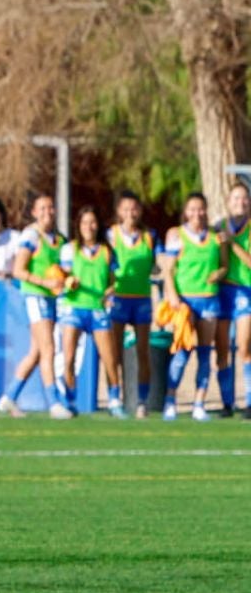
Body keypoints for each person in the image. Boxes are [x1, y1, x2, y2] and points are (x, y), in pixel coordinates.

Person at [0, 195, 71, 419]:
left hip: (51, 298)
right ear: (34, 212)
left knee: (37, 352)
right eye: (43, 208)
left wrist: (66, 280)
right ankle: (53, 402)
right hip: (35, 296)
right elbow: (19, 270)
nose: (48, 212)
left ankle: (9, 397)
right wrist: (44, 282)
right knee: (48, 348)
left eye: (51, 207)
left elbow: (63, 269)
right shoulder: (31, 235)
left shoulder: (59, 239)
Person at [159, 191, 226, 421]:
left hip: (209, 299)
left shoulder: (216, 237)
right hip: (185, 302)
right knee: (181, 353)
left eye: (201, 208)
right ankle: (170, 400)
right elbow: (167, 270)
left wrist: (219, 273)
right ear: (185, 212)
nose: (197, 213)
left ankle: (200, 402)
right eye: (192, 209)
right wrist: (173, 296)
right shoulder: (176, 235)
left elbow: (224, 265)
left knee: (205, 353)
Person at [56, 206, 123, 417]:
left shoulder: (107, 251)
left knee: (110, 358)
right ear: (78, 225)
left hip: (97, 309)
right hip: (74, 308)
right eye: (85, 223)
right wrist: (68, 282)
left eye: (92, 222)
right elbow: (61, 278)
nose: (89, 227)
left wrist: (109, 294)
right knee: (69, 358)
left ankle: (114, 400)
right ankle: (70, 400)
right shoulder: (70, 249)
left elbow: (113, 282)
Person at [107, 193, 157, 418]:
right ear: (119, 211)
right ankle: (114, 397)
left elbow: (158, 264)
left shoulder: (149, 237)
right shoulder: (111, 235)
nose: (131, 213)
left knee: (142, 351)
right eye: (126, 208)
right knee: (114, 352)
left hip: (142, 299)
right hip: (118, 298)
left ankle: (142, 401)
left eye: (134, 208)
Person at [215, 179, 251, 417]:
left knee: (245, 347)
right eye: (236, 198)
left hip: (245, 291)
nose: (241, 202)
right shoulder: (217, 227)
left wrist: (234, 244)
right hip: (222, 292)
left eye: (244, 198)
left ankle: (249, 402)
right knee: (222, 349)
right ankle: (227, 403)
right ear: (228, 203)